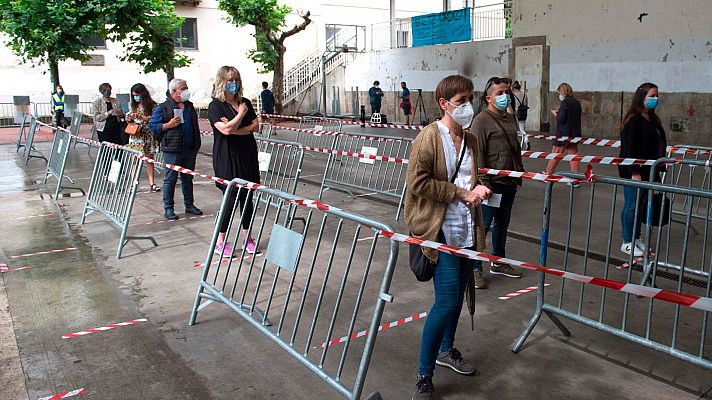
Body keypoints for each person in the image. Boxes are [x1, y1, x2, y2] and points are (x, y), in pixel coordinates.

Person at [404, 75, 492, 400]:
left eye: (471, 98)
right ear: (444, 104)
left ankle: (446, 350)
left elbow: (472, 177)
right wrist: (459, 192)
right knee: (445, 301)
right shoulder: (429, 137)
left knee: (457, 298)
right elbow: (417, 182)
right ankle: (423, 375)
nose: (468, 105)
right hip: (439, 232)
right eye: (461, 100)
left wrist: (479, 189)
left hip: (467, 231)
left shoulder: (470, 140)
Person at [471, 76, 526, 289]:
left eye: (507, 92)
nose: (505, 96)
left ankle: (499, 262)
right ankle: (475, 268)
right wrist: (483, 184)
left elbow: (515, 148)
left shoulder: (509, 118)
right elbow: (477, 154)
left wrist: (519, 171)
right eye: (500, 93)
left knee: (503, 224)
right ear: (489, 98)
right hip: (490, 186)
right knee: (483, 227)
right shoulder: (481, 121)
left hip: (509, 183)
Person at [208, 66, 261, 257]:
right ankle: (221, 241)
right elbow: (225, 130)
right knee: (230, 198)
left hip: (247, 154)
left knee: (247, 198)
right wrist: (240, 115)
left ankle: (248, 238)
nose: (234, 83)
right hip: (226, 157)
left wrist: (236, 127)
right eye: (230, 80)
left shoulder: (245, 101)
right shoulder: (215, 106)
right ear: (222, 82)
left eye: (236, 79)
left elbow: (256, 126)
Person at [618, 82, 666, 256]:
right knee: (631, 206)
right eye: (652, 96)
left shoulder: (652, 119)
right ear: (642, 98)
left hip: (650, 170)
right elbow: (629, 148)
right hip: (636, 171)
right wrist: (634, 172)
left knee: (641, 205)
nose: (655, 99)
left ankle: (636, 237)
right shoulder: (634, 121)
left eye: (656, 95)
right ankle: (627, 241)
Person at [148, 78, 203, 221]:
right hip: (173, 149)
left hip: (190, 148)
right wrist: (168, 125)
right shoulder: (163, 108)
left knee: (187, 178)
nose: (186, 91)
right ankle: (169, 208)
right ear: (174, 92)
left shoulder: (189, 106)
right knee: (170, 179)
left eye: (186, 87)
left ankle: (189, 205)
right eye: (183, 88)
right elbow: (153, 126)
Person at [126, 83, 160, 192]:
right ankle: (133, 183)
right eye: (134, 95)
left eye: (137, 95)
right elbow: (130, 118)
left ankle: (152, 183)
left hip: (148, 134)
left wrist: (140, 116)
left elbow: (153, 118)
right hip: (136, 134)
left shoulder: (152, 105)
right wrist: (129, 118)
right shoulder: (133, 105)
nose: (135, 97)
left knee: (149, 159)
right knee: (134, 159)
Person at [544, 83, 583, 179]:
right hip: (574, 134)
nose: (559, 96)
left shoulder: (565, 102)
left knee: (555, 154)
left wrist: (555, 113)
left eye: (559, 93)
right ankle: (575, 178)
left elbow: (561, 119)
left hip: (563, 134)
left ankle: (548, 175)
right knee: (574, 157)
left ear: (563, 92)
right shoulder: (576, 102)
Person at [512, 81, 530, 150]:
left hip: (516, 113)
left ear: (514, 88)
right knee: (522, 129)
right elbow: (526, 104)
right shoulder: (525, 95)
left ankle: (516, 145)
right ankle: (526, 139)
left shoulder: (513, 95)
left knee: (514, 130)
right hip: (523, 113)